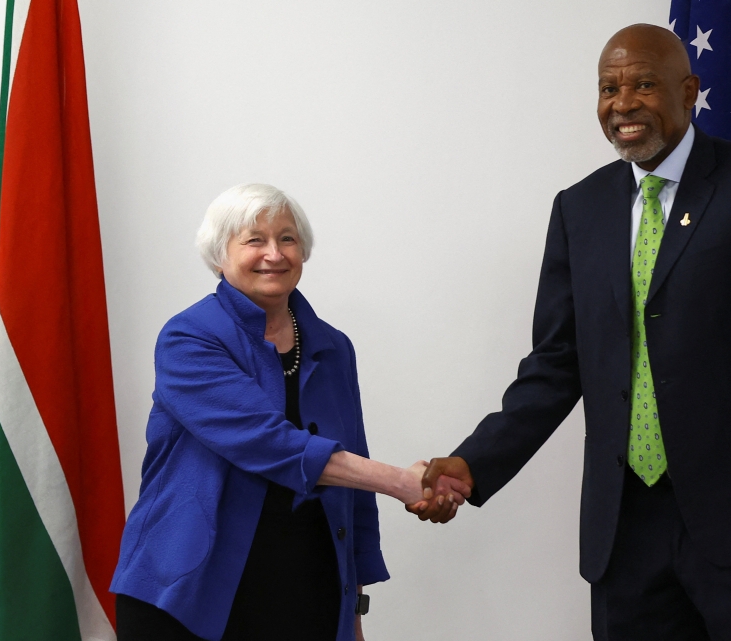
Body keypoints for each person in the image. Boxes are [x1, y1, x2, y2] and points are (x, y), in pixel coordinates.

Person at [411, 24, 731, 641]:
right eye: (609, 88)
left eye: (643, 84)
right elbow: (557, 364)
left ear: (689, 91)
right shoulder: (578, 208)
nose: (623, 104)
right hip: (624, 532)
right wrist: (473, 463)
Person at [110, 183, 468, 641]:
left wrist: (352, 612)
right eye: (254, 240)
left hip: (305, 590)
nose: (274, 254)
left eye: (287, 238)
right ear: (220, 256)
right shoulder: (188, 339)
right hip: (187, 592)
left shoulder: (333, 346)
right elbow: (268, 442)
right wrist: (400, 481)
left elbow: (351, 490)